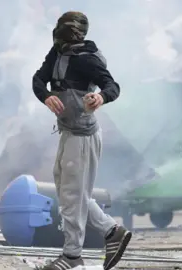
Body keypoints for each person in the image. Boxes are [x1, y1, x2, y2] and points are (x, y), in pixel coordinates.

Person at [32, 11, 131, 270]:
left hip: (83, 136)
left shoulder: (87, 60)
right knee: (69, 192)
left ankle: (73, 256)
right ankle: (111, 231)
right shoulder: (57, 53)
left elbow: (112, 85)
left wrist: (100, 98)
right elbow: (38, 79)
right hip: (66, 131)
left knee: (73, 194)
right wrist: (45, 96)